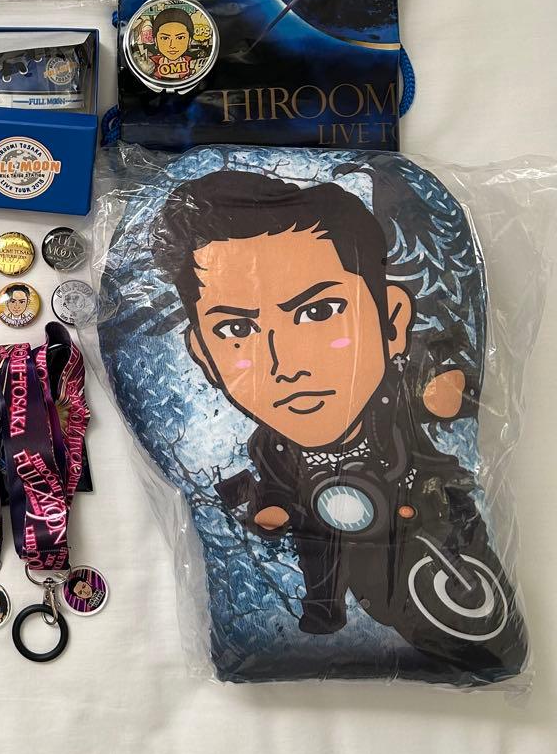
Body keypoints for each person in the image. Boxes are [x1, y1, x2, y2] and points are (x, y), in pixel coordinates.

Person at [152, 169, 524, 676]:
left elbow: (444, 381)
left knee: (453, 507)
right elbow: (275, 487)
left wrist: (444, 390)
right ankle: (323, 609)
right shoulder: (270, 446)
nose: (285, 365)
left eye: (319, 311)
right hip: (329, 516)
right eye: (237, 328)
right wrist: (271, 510)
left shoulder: (396, 391)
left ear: (392, 320)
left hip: (422, 494)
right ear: (203, 355)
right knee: (318, 550)